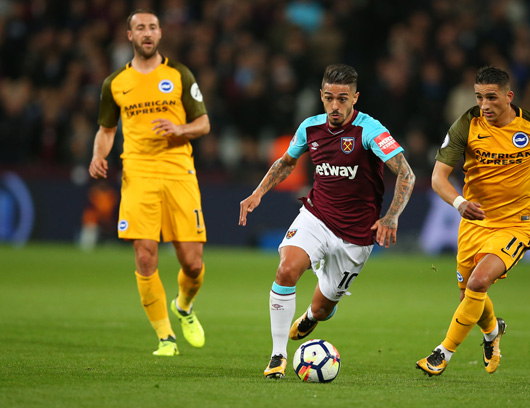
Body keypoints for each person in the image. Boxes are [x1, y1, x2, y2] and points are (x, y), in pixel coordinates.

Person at [239, 63, 415, 379]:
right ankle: (278, 356)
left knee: (322, 308)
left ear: (355, 98)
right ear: (321, 96)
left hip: (356, 236)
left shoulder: (370, 131)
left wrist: (390, 216)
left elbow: (406, 173)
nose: (335, 106)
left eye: (343, 99)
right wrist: (258, 193)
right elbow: (286, 162)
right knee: (287, 268)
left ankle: (311, 314)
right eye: (330, 98)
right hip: (316, 217)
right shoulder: (310, 128)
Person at [415, 66, 530, 376]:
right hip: (474, 221)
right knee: (469, 293)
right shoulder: (466, 125)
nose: (484, 105)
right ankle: (493, 332)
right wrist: (459, 202)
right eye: (479, 97)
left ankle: (442, 353)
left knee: (479, 282)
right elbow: (438, 178)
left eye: (491, 97)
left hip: (515, 224)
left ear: (508, 96)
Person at [88, 9, 210, 356]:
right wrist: (99, 156)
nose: (147, 33)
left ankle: (183, 306)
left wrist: (180, 129)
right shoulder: (115, 83)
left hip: (177, 169)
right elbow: (107, 130)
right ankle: (165, 337)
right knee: (145, 256)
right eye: (140, 27)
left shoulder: (179, 74)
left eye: (152, 27)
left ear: (160, 34)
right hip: (137, 171)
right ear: (129, 36)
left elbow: (203, 124)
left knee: (193, 263)